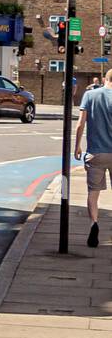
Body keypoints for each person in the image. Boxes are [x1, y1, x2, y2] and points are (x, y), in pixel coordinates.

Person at [75, 67, 112, 246]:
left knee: (93, 193)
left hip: (95, 153)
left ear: (105, 79)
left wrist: (77, 147)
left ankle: (94, 224)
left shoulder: (90, 96)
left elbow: (80, 124)